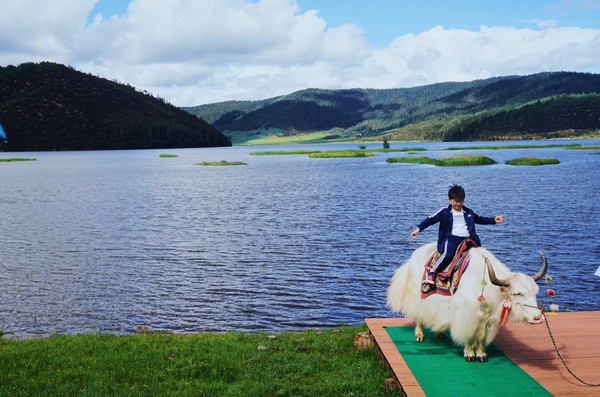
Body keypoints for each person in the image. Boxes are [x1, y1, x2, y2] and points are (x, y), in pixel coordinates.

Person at [410, 184, 504, 288]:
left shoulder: (469, 212)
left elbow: (480, 219)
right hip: (452, 238)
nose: (459, 204)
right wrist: (418, 229)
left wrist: (494, 220)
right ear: (450, 200)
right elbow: (430, 220)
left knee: (481, 256)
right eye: (456, 201)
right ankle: (432, 271)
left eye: (461, 201)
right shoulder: (444, 212)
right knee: (448, 255)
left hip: (469, 239)